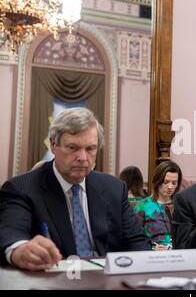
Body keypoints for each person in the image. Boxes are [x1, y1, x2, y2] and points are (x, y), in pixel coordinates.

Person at [0, 108, 149, 271]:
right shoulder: (22, 188)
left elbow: (137, 244)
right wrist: (20, 250)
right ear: (53, 145)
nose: (83, 158)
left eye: (90, 149)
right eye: (73, 148)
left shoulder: (114, 188)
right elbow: (11, 234)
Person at [133, 161, 183, 250]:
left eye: (174, 183)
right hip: (152, 255)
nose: (170, 187)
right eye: (166, 182)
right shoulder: (142, 206)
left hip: (178, 254)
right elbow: (135, 239)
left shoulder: (182, 206)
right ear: (157, 181)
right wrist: (152, 248)